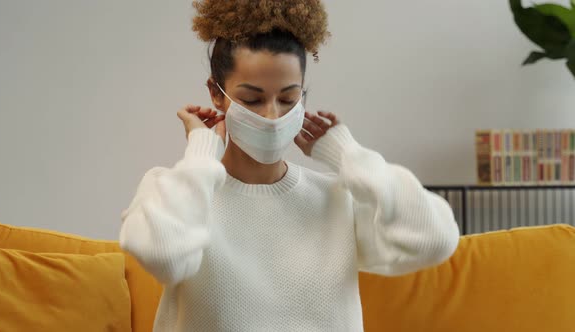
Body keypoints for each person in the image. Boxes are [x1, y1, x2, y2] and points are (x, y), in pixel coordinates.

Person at [119, 1, 460, 331]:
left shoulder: (336, 198)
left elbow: (435, 239)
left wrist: (347, 156)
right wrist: (201, 154)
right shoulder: (175, 190)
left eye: (287, 98)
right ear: (216, 93)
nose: (271, 115)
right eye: (252, 99)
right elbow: (165, 255)